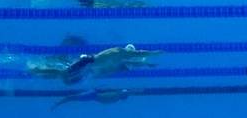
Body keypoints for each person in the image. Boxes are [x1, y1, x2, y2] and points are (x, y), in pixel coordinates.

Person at [29, 44, 161, 85]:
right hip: (88, 61)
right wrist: (154, 53)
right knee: (64, 73)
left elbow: (133, 61)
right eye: (130, 52)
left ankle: (43, 72)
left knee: (67, 80)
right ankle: (38, 69)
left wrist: (147, 65)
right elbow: (138, 54)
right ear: (128, 50)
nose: (130, 54)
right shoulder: (119, 51)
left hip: (88, 67)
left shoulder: (121, 58)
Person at [51, 88, 133, 110]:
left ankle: (57, 103)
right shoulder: (116, 95)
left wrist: (97, 95)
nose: (123, 90)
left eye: (124, 91)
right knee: (72, 97)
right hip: (94, 94)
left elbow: (104, 100)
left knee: (72, 97)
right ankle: (58, 103)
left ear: (123, 95)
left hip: (93, 95)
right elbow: (104, 100)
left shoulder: (115, 97)